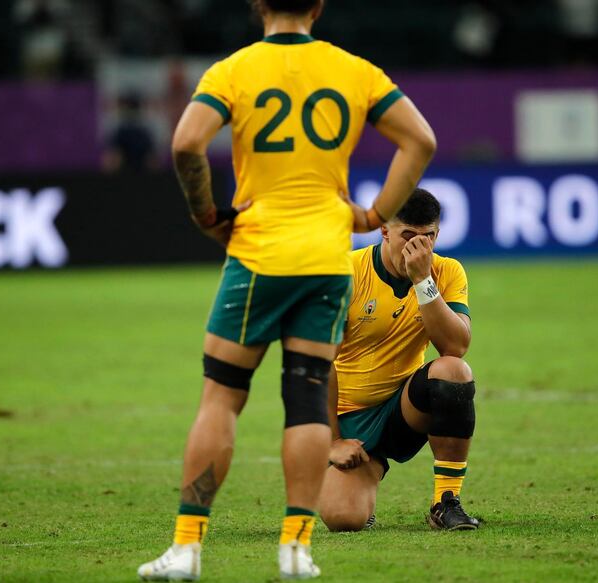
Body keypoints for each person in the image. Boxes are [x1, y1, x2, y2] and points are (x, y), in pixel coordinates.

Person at [137, 0, 436, 580]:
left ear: (256, 6)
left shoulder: (233, 70)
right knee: (305, 402)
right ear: (319, 6)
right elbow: (419, 140)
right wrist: (375, 213)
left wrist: (208, 216)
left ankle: (187, 549)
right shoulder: (354, 70)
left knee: (222, 398)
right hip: (326, 260)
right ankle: (295, 550)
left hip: (258, 255)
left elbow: (184, 144)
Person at [318, 188, 479, 533]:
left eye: (427, 238)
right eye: (407, 236)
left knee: (454, 371)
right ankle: (364, 474)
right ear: (385, 231)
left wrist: (423, 281)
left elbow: (456, 345)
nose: (417, 248)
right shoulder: (345, 273)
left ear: (437, 235)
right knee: (343, 518)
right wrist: (332, 440)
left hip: (405, 409)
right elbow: (319, 364)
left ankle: (445, 500)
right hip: (350, 416)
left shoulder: (446, 272)